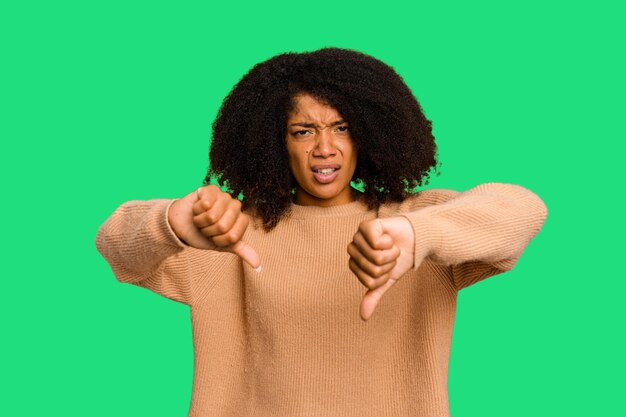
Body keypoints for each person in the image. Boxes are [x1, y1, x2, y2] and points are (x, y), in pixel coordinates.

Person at [96, 47, 547, 417]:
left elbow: (524, 210)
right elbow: (113, 242)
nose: (324, 148)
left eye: (342, 128)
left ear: (368, 134)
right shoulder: (228, 234)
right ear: (276, 141)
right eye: (303, 131)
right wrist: (173, 221)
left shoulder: (414, 222)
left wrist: (417, 237)